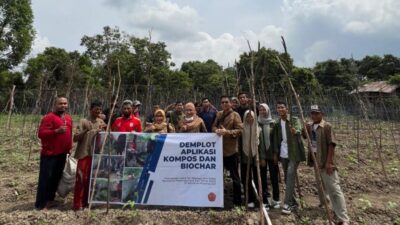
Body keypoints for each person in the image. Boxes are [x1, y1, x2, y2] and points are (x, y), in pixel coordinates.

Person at [303, 105, 350, 225]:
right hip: (316, 161)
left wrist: (329, 163)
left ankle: (343, 218)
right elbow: (305, 137)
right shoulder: (311, 126)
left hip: (326, 162)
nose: (314, 116)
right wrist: (305, 128)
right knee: (321, 186)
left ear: (322, 114)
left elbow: (332, 144)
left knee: (334, 189)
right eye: (312, 113)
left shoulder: (327, 126)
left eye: (316, 113)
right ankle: (326, 204)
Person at [35, 97, 73, 210]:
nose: (63, 105)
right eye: (60, 103)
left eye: (65, 103)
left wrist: (69, 148)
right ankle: (41, 204)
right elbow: (41, 133)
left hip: (62, 154)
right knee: (46, 179)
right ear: (55, 105)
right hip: (49, 154)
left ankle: (50, 200)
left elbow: (70, 134)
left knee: (55, 178)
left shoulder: (68, 118)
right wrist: (56, 131)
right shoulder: (49, 118)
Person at [272, 101, 306, 214]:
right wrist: (276, 154)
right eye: (278, 107)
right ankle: (294, 203)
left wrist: (295, 131)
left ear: (286, 109)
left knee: (291, 175)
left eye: (282, 107)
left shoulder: (293, 119)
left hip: (294, 153)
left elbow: (299, 129)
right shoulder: (277, 123)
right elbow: (276, 139)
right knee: (287, 178)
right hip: (283, 153)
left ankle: (287, 203)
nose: (280, 109)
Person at [72, 100, 106, 210]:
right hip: (84, 154)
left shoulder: (101, 122)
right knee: (81, 179)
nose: (98, 112)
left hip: (96, 154)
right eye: (96, 110)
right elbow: (75, 138)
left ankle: (87, 201)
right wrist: (87, 130)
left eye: (100, 110)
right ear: (90, 110)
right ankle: (78, 204)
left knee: (91, 179)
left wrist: (104, 130)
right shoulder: (83, 121)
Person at [212, 96, 243, 206]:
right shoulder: (219, 114)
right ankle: (218, 199)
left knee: (235, 177)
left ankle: (237, 201)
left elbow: (240, 130)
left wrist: (227, 132)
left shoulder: (235, 115)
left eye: (226, 102)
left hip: (231, 150)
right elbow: (213, 126)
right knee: (219, 176)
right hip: (219, 151)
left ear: (230, 103)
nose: (224, 104)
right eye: (222, 102)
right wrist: (217, 130)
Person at [240, 110, 267, 208]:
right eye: (247, 117)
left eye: (251, 117)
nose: (249, 119)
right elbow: (239, 144)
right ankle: (250, 199)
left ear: (255, 117)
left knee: (259, 178)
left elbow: (262, 145)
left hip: (257, 157)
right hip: (245, 156)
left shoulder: (258, 129)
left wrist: (262, 157)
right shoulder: (242, 129)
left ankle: (262, 200)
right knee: (245, 178)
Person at [258, 103, 280, 209]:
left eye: (264, 109)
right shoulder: (257, 124)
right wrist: (261, 157)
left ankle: (276, 199)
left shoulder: (273, 124)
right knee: (262, 178)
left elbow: (276, 140)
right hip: (262, 155)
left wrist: (276, 154)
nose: (262, 111)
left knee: (274, 177)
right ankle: (265, 200)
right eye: (260, 109)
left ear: (268, 110)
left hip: (272, 155)